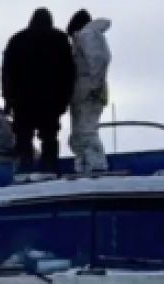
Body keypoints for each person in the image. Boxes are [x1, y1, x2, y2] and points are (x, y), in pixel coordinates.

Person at [1, 8, 77, 174]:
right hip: (50, 101)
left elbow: (7, 72)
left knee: (23, 136)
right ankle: (49, 167)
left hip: (23, 100)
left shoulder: (17, 40)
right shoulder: (59, 40)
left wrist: (8, 100)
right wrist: (65, 99)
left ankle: (24, 168)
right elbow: (69, 73)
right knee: (49, 136)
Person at [67, 10, 112, 174]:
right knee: (81, 131)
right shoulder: (88, 35)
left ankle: (96, 165)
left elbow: (100, 59)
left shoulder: (88, 35)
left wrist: (94, 84)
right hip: (85, 90)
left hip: (88, 90)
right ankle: (86, 164)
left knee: (86, 130)